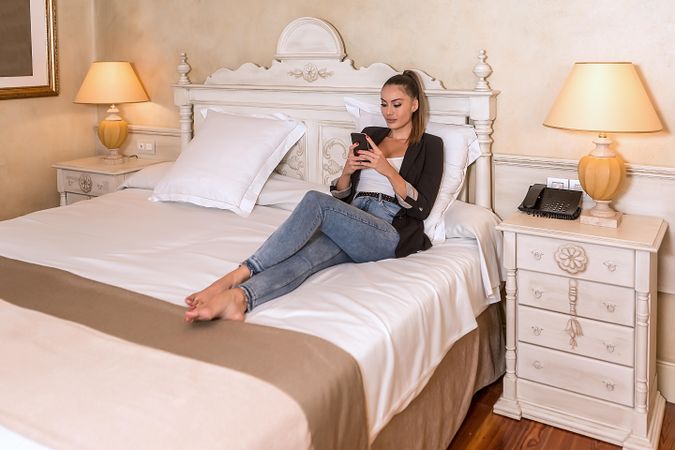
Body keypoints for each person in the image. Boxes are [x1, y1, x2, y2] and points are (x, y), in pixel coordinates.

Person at [184, 70, 444, 322]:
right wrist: (347, 171)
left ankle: (235, 275)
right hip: (353, 220)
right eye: (384, 104)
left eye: (396, 104)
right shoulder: (373, 135)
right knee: (305, 258)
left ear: (414, 105)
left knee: (315, 201)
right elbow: (342, 197)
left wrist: (386, 170)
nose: (388, 112)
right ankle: (240, 298)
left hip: (387, 230)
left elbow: (421, 209)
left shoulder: (430, 145)